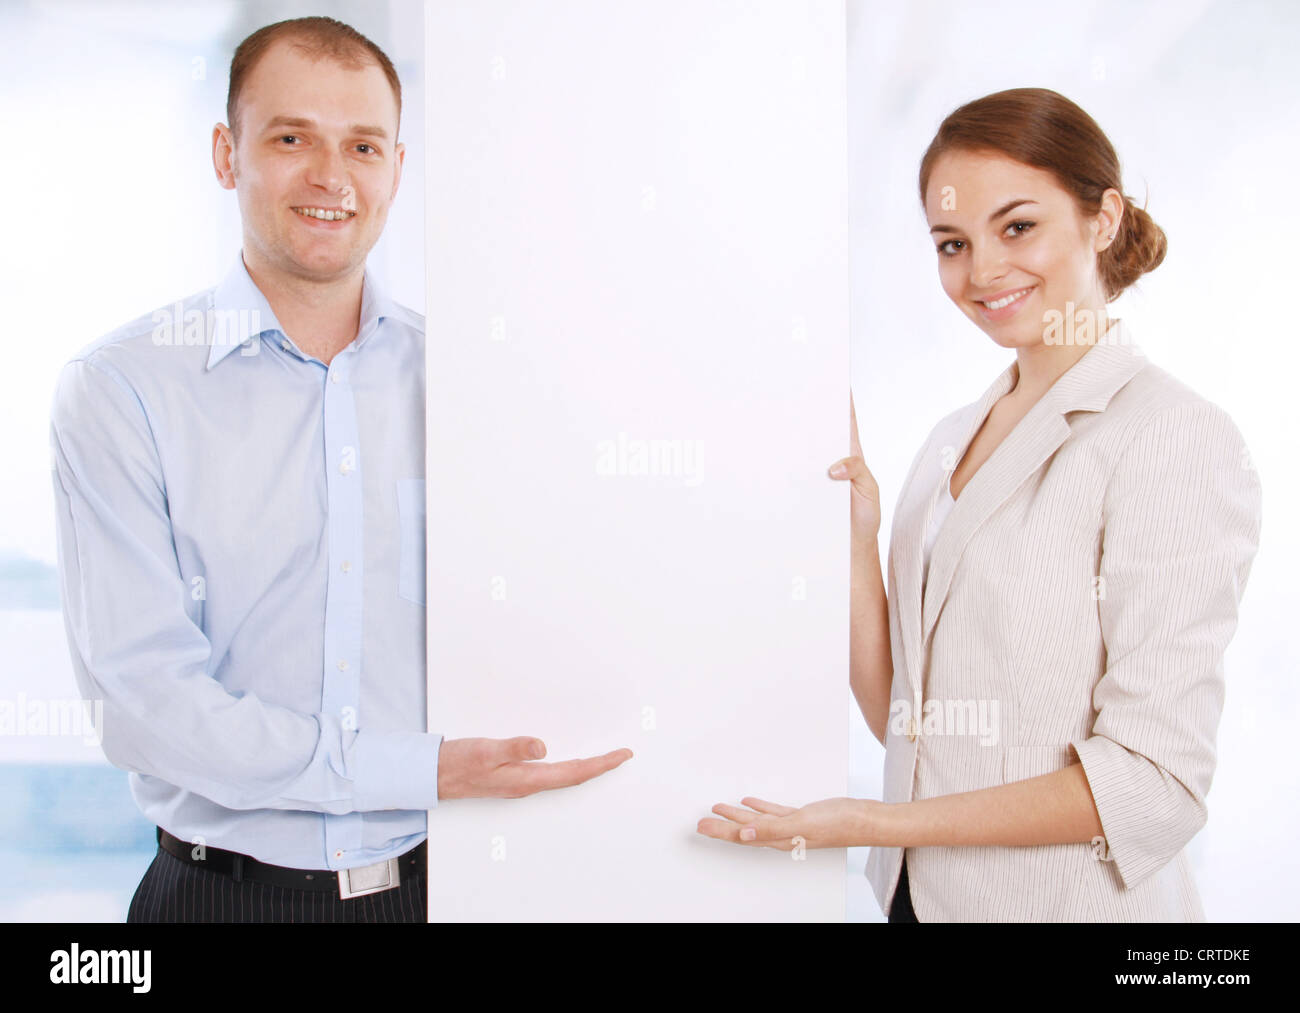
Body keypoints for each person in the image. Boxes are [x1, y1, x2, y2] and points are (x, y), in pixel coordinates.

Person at [49, 15, 631, 924]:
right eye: (292, 138)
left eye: (362, 145)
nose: (330, 177)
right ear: (225, 153)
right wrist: (415, 768)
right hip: (216, 901)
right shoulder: (121, 392)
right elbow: (147, 708)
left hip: (438, 894)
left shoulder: (476, 389)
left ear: (396, 168)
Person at [696, 87, 1262, 921]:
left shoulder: (1173, 437)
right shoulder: (950, 441)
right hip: (916, 901)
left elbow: (1154, 783)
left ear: (1102, 219)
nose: (983, 270)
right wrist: (860, 540)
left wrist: (877, 820)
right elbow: (910, 723)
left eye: (1018, 226)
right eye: (952, 243)